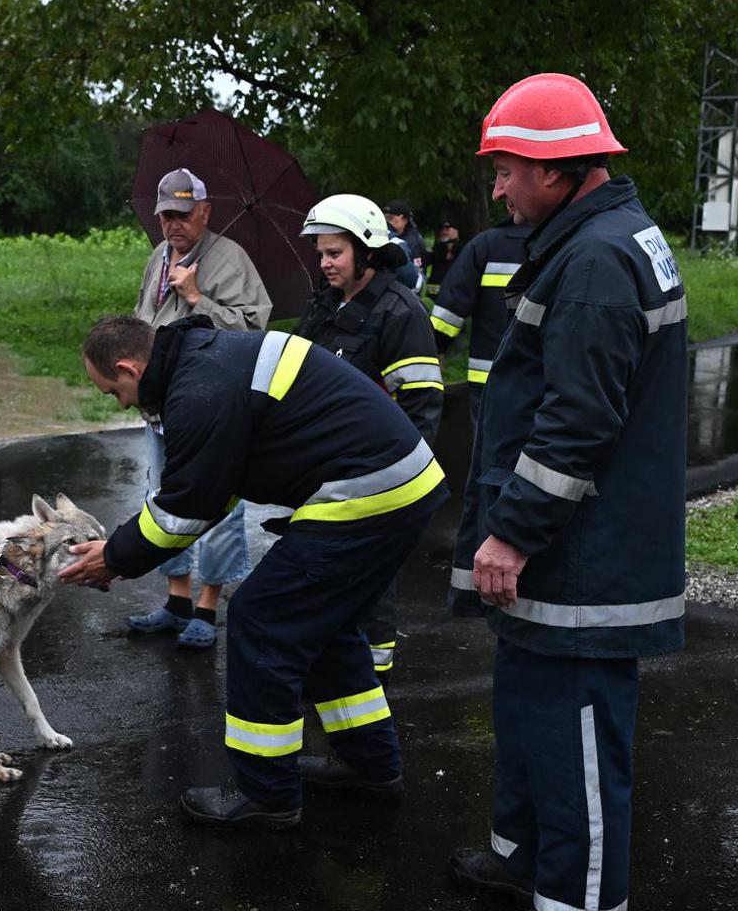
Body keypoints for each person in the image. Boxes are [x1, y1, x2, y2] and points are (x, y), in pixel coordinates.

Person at [447, 74, 688, 911]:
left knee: (577, 723)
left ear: (554, 168)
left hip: (584, 553)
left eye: (507, 169)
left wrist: (511, 533)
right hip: (572, 541)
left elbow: (577, 422)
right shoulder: (594, 236)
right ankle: (524, 859)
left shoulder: (592, 262)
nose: (499, 187)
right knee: (529, 708)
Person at [59, 314, 448, 825]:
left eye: (114, 391)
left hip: (368, 494)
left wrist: (113, 558)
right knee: (325, 627)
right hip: (398, 487)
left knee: (262, 620)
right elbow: (211, 490)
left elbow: (187, 506)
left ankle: (267, 794)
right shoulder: (207, 361)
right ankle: (369, 765)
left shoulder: (197, 392)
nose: (123, 404)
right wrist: (123, 553)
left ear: (130, 368)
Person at [297, 193, 442, 685]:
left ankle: (372, 683)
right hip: (322, 474)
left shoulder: (400, 312)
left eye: (334, 253)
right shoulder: (324, 305)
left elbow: (422, 407)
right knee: (324, 576)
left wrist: (396, 482)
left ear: (366, 250)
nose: (325, 263)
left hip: (376, 477)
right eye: (320, 253)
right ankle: (332, 672)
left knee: (371, 583)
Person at [128, 168, 273, 649]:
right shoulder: (158, 257)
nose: (174, 224)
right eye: (166, 214)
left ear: (206, 212)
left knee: (219, 505)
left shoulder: (231, 259)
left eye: (183, 215)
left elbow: (251, 332)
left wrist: (196, 297)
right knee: (162, 497)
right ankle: (176, 599)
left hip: (212, 412)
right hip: (161, 410)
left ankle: (209, 607)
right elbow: (143, 320)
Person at [429, 209, 529, 418]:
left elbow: (446, 316)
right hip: (548, 383)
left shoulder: (486, 246)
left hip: (489, 378)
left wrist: (434, 348)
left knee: (489, 447)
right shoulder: (573, 241)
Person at [383, 199, 426, 293]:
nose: (386, 223)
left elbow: (418, 278)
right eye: (384, 219)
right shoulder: (387, 237)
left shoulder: (413, 241)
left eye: (390, 218)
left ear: (404, 219)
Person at [425, 222, 462, 298]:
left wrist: (454, 240)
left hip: (448, 282)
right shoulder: (438, 246)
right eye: (442, 230)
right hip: (435, 282)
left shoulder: (457, 245)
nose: (444, 232)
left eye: (447, 230)